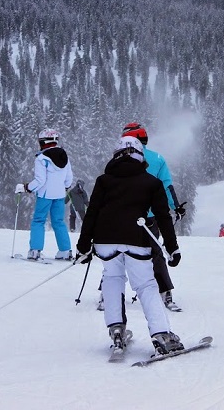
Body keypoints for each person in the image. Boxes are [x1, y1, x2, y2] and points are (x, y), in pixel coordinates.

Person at [76, 136, 184, 355]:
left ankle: (116, 331)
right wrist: (172, 248)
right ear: (140, 157)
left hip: (105, 241)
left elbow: (92, 214)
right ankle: (162, 336)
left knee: (112, 279)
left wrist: (83, 246)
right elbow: (163, 216)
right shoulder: (151, 182)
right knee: (145, 285)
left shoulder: (104, 180)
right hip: (137, 239)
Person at [121, 122, 185, 311]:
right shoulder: (157, 158)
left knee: (120, 252)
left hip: (126, 214)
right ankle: (166, 293)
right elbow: (167, 185)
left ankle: (106, 294)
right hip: (150, 216)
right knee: (156, 253)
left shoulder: (121, 159)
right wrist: (176, 207)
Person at [15, 129, 74, 261]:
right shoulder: (65, 157)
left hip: (45, 195)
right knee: (59, 222)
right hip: (59, 195)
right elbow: (69, 179)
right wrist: (63, 187)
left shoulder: (41, 158)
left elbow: (40, 181)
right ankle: (65, 251)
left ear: (43, 142)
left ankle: (35, 251)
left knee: (38, 221)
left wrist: (27, 187)